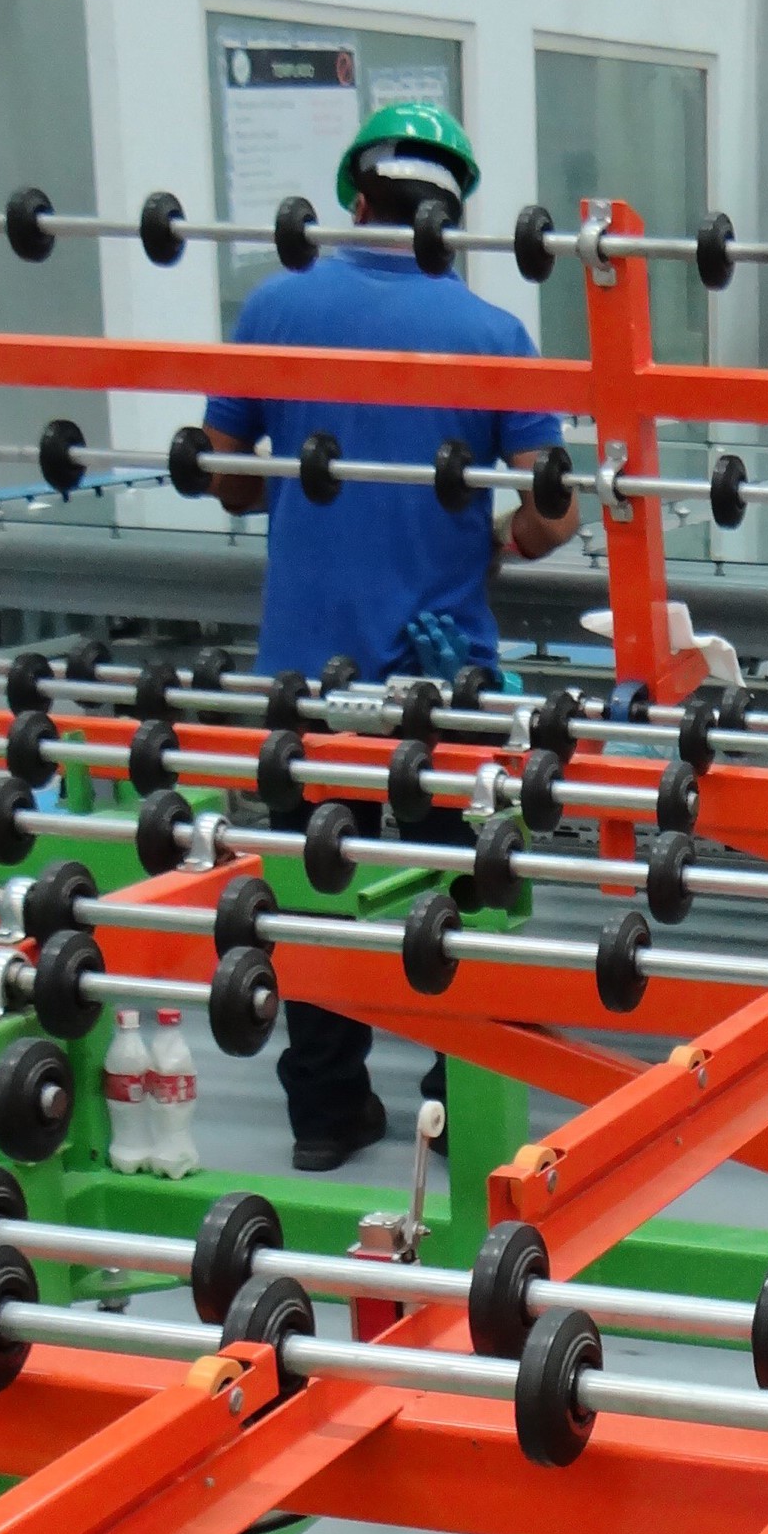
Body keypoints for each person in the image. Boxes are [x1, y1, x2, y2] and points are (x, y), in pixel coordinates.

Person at [203, 101, 576, 1169]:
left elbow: (227, 475)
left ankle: (325, 1114)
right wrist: (491, 535)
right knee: (459, 886)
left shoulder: (275, 305)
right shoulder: (493, 334)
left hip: (303, 676)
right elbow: (555, 519)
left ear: (355, 197)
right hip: (439, 673)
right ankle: (459, 1105)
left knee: (319, 890)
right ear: (448, 218)